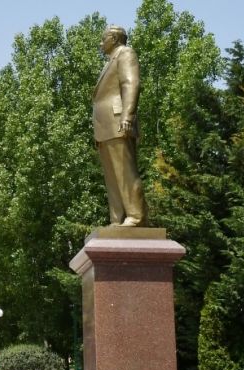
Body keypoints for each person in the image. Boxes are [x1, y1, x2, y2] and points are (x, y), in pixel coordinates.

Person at [92, 25, 148, 227]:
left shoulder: (125, 53)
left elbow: (130, 84)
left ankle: (136, 216)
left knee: (125, 173)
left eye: (103, 39)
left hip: (118, 121)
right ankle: (117, 218)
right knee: (112, 176)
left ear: (114, 39)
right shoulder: (111, 60)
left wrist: (127, 116)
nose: (101, 43)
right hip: (105, 127)